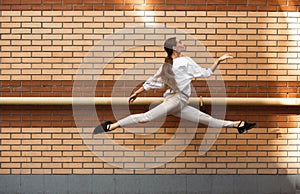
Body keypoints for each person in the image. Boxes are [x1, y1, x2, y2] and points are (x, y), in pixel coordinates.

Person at [93, 37, 256, 134]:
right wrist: (217, 62)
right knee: (146, 117)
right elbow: (205, 74)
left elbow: (152, 81)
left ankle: (238, 125)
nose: (182, 44)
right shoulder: (183, 61)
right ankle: (111, 126)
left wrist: (137, 92)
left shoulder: (170, 65)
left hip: (179, 103)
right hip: (176, 100)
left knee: (206, 119)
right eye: (179, 43)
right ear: (174, 48)